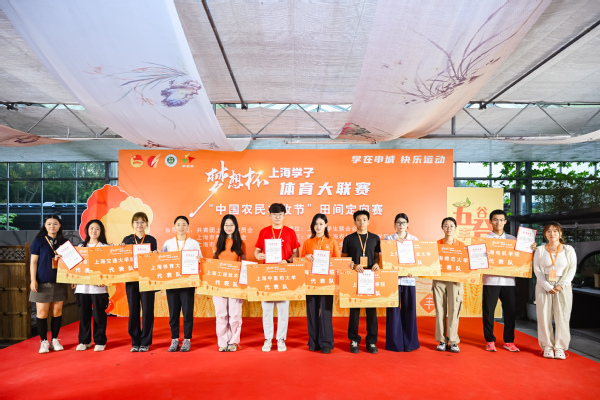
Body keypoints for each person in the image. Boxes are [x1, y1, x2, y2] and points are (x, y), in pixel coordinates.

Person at [254, 203, 300, 352]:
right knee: (267, 310)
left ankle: (281, 339)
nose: (277, 217)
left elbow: (296, 254)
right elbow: (257, 251)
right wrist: (258, 255)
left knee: (283, 309)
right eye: (274, 214)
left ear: (284, 215)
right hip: (267, 274)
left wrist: (287, 261)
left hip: (284, 274)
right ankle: (268, 338)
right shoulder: (264, 232)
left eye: (280, 214)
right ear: (270, 216)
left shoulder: (290, 232)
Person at [533, 222, 576, 360]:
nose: (552, 234)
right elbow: (537, 269)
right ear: (545, 234)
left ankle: (560, 347)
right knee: (543, 316)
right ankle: (547, 346)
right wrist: (546, 285)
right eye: (549, 231)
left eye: (555, 231)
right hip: (543, 284)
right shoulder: (540, 250)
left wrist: (561, 285)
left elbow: (572, 269)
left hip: (563, 285)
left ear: (560, 233)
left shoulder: (569, 249)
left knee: (562, 316)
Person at [342, 210, 381, 354]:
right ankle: (354, 340)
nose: (361, 222)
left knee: (372, 311)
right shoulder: (349, 239)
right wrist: (353, 265)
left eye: (364, 220)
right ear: (354, 222)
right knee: (354, 311)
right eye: (358, 220)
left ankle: (371, 341)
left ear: (368, 221)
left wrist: (376, 264)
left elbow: (377, 256)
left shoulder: (375, 238)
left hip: (370, 277)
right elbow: (344, 259)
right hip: (354, 277)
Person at [301, 213, 341, 354]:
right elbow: (301, 262)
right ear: (312, 226)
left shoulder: (332, 241)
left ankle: (325, 343)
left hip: (327, 283)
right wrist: (306, 257)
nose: (318, 226)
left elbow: (337, 262)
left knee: (325, 312)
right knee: (312, 312)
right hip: (311, 282)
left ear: (326, 225)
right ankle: (313, 342)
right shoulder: (307, 242)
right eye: (315, 224)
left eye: (321, 224)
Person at [29, 215, 69, 354]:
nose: (52, 226)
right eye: (49, 224)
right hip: (42, 282)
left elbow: (72, 262)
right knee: (41, 313)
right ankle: (44, 341)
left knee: (57, 312)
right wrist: (33, 280)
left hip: (59, 282)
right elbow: (33, 262)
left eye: (55, 224)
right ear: (45, 226)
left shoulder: (64, 242)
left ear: (60, 226)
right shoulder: (39, 241)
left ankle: (55, 340)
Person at [162, 216, 201, 352]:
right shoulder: (168, 243)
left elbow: (200, 261)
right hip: (172, 283)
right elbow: (161, 261)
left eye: (184, 224)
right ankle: (174, 339)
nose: (181, 227)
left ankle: (187, 339)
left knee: (187, 312)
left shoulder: (194, 243)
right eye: (178, 224)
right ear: (174, 227)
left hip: (187, 283)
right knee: (173, 312)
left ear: (188, 227)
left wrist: (199, 260)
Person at [482, 209, 520, 352]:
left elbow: (521, 257)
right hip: (490, 280)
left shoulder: (513, 240)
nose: (498, 222)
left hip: (509, 281)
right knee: (488, 312)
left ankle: (509, 341)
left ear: (505, 222)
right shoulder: (484, 240)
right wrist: (481, 255)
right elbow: (476, 259)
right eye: (495, 219)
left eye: (501, 220)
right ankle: (490, 340)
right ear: (490, 221)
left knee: (510, 312)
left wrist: (530, 249)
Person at [121, 212, 158, 352]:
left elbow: (154, 260)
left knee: (148, 311)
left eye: (142, 222)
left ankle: (145, 342)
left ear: (147, 223)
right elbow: (122, 258)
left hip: (147, 280)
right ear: (133, 224)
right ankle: (135, 341)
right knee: (133, 311)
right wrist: (120, 249)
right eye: (137, 222)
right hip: (132, 280)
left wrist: (155, 254)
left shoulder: (151, 240)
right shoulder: (127, 240)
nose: (140, 225)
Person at [384, 213, 420, 352]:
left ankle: (409, 343)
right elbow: (385, 259)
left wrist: (413, 270)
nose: (401, 225)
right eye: (398, 222)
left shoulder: (414, 240)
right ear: (395, 224)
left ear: (407, 224)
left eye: (404, 222)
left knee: (409, 310)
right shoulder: (389, 239)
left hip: (409, 280)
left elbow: (418, 260)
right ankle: (395, 343)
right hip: (393, 279)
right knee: (393, 312)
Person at [212, 214, 246, 352]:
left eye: (231, 225)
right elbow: (213, 262)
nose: (229, 227)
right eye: (226, 225)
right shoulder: (217, 242)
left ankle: (233, 342)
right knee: (221, 313)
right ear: (222, 227)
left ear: (236, 226)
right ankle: (222, 342)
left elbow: (244, 264)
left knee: (235, 314)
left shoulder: (241, 243)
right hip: (219, 283)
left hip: (235, 284)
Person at [75, 220, 110, 352]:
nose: (94, 231)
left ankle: (100, 340)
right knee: (84, 315)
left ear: (101, 231)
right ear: (87, 230)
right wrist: (73, 278)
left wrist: (105, 279)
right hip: (82, 287)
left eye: (97, 229)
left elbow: (109, 267)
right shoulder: (80, 247)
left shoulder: (105, 247)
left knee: (99, 315)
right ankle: (85, 341)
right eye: (91, 228)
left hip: (99, 288)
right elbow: (74, 266)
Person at [432, 217, 464, 353]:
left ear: (455, 228)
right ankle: (441, 340)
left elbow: (467, 262)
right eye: (446, 225)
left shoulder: (461, 246)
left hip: (455, 281)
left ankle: (453, 341)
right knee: (440, 310)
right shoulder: (436, 244)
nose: (449, 228)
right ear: (442, 227)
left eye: (451, 226)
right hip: (439, 280)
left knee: (454, 310)